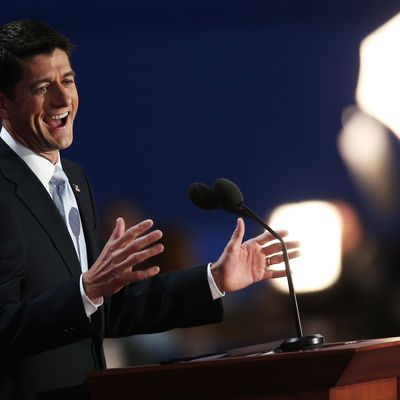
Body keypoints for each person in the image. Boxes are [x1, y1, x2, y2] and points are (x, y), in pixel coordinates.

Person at [0, 20, 300, 400]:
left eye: (68, 80)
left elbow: (107, 309)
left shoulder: (75, 179)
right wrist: (86, 290)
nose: (63, 99)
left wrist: (215, 280)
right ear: (3, 102)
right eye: (42, 88)